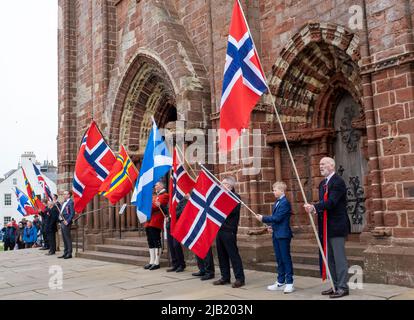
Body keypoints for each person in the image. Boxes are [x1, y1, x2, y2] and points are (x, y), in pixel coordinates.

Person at [304, 157, 350, 299]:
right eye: (320, 164)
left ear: (332, 165)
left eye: (323, 164)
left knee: (339, 258)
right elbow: (323, 203)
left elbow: (331, 202)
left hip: (336, 226)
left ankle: (343, 287)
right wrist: (314, 209)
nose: (321, 166)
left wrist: (314, 207)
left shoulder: (338, 182)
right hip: (325, 226)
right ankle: (334, 285)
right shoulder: (323, 183)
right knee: (328, 258)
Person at [255, 182, 294, 293]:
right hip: (276, 233)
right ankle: (280, 281)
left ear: (282, 191)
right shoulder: (277, 202)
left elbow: (278, 217)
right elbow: (278, 221)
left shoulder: (285, 202)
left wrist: (263, 218)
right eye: (273, 190)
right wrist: (272, 227)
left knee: (285, 258)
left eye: (275, 190)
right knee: (279, 259)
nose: (273, 192)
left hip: (283, 235)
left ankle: (290, 283)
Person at [213, 176, 245, 288]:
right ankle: (225, 277)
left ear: (229, 186)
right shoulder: (221, 197)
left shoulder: (235, 197)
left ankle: (240, 278)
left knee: (233, 255)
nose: (221, 185)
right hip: (220, 230)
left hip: (229, 230)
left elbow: (230, 211)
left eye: (223, 184)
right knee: (222, 255)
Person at [144, 181, 168, 271]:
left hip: (156, 221)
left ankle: (157, 262)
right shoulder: (154, 196)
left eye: (157, 185)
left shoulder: (165, 195)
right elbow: (151, 205)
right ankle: (151, 261)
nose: (155, 187)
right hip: (149, 221)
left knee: (156, 240)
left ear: (161, 186)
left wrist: (147, 205)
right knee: (150, 241)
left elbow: (154, 207)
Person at [166, 193, 187, 273]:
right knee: (171, 245)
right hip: (170, 225)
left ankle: (181, 264)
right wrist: (168, 217)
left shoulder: (183, 199)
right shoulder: (172, 199)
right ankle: (175, 264)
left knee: (176, 245)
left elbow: (183, 211)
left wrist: (172, 216)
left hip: (178, 225)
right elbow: (168, 210)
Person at [58, 190, 75, 259]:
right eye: (63, 194)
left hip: (66, 222)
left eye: (65, 194)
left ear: (69, 195)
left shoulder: (71, 202)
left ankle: (69, 253)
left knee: (67, 238)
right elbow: (62, 212)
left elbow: (72, 213)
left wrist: (67, 221)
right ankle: (65, 252)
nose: (64, 195)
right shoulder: (64, 203)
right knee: (64, 238)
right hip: (62, 221)